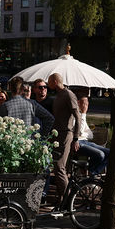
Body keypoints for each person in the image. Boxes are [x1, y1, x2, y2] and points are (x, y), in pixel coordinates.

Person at [47, 73, 81, 201]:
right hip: (57, 134)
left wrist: (76, 138)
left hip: (66, 134)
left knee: (59, 166)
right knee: (56, 167)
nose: (47, 84)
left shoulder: (68, 94)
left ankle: (68, 200)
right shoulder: (58, 95)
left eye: (49, 81)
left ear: (55, 82)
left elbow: (78, 117)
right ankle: (61, 198)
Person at [77, 95, 109, 175]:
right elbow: (79, 132)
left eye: (87, 103)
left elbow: (90, 135)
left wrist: (83, 133)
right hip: (78, 143)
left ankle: (93, 173)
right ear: (78, 103)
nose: (86, 106)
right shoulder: (75, 115)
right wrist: (84, 113)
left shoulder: (81, 116)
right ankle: (91, 174)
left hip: (86, 141)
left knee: (109, 153)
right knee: (100, 155)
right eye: (84, 103)